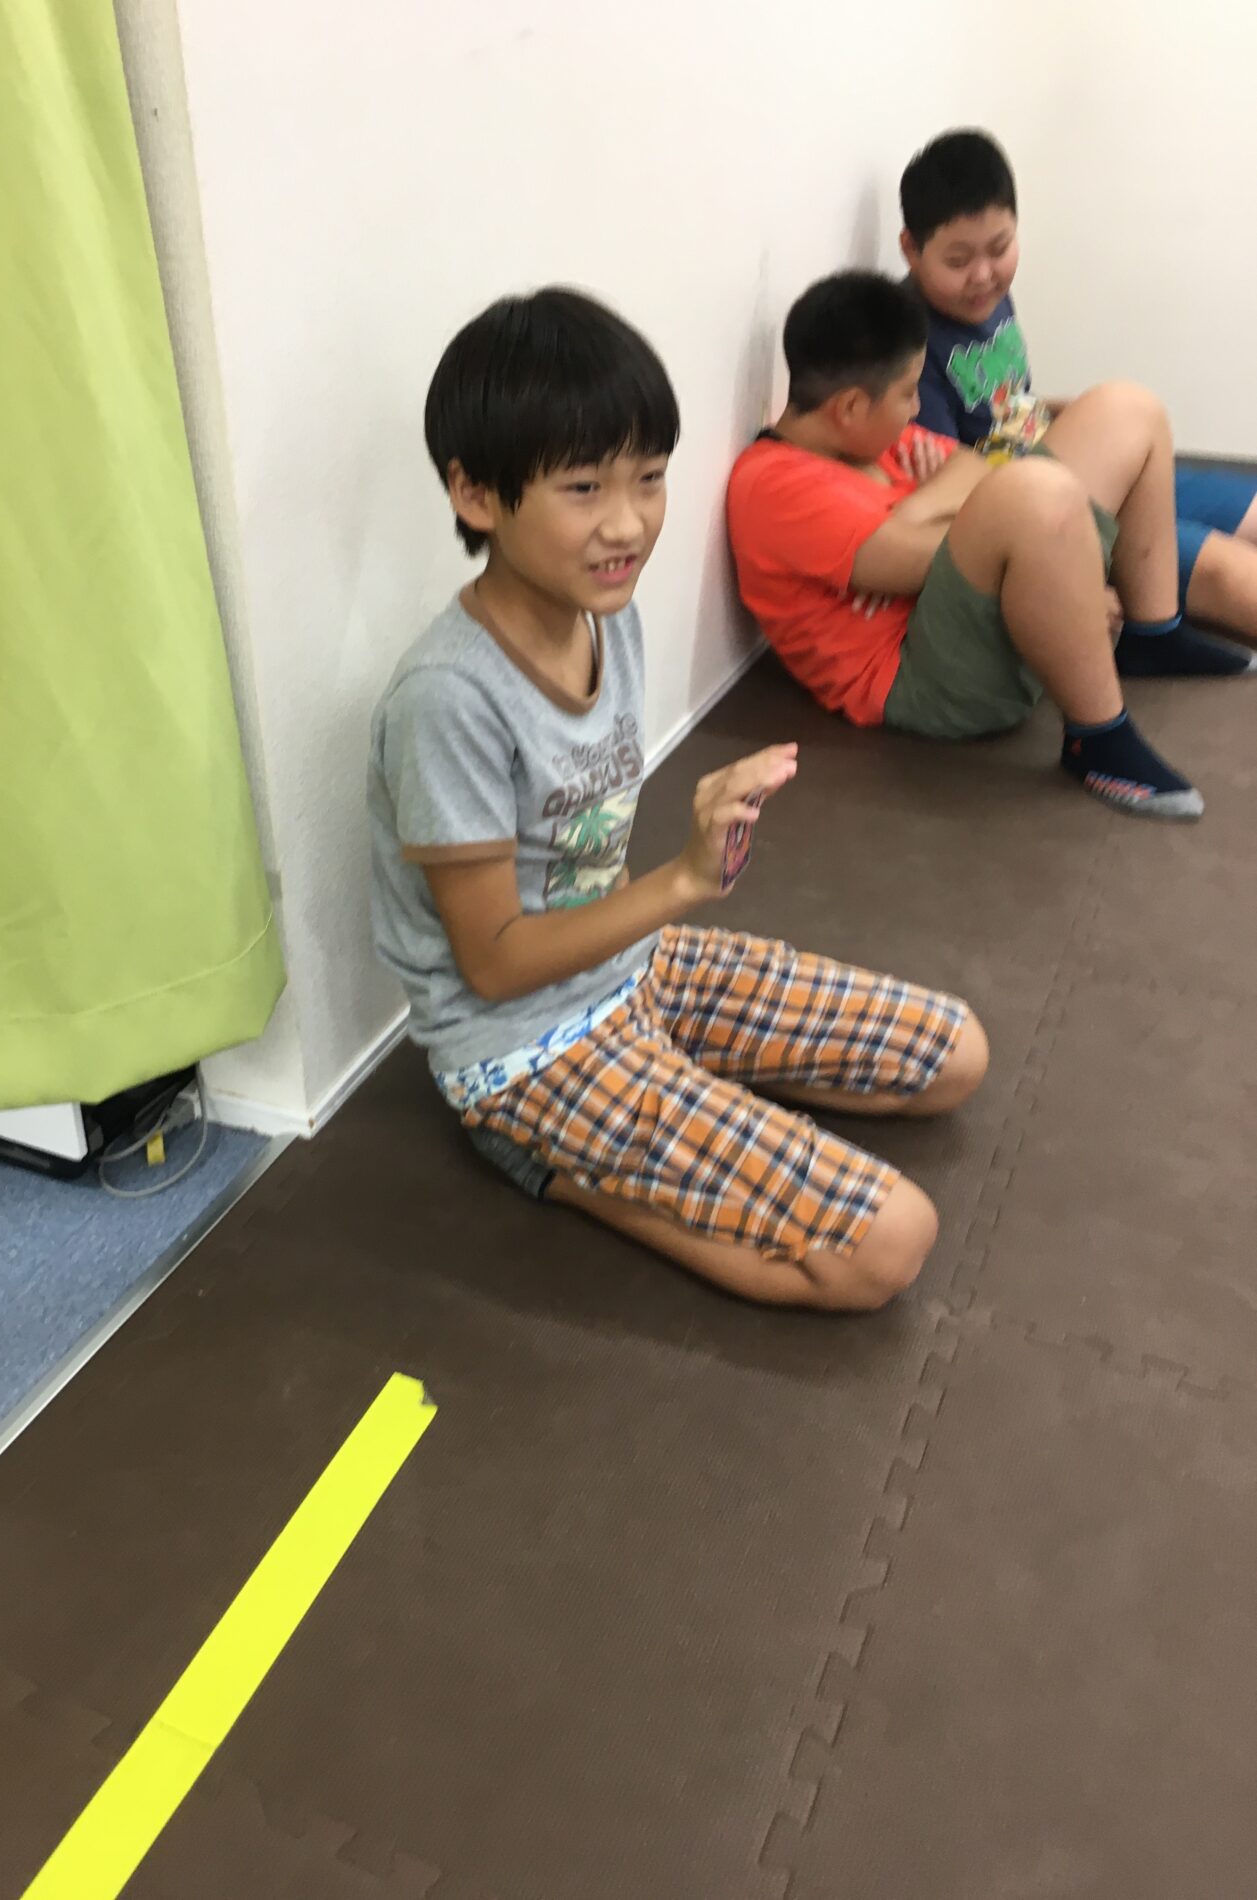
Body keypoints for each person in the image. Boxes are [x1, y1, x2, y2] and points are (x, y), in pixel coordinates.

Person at [367, 286, 988, 1311]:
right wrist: (684, 881)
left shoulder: (608, 616)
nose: (627, 523)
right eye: (583, 487)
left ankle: (668, 1095)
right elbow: (494, 962)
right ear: (475, 495)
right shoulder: (447, 699)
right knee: (887, 1246)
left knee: (954, 1054)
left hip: (631, 968)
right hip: (521, 1046)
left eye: (648, 478)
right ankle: (549, 1162)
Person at [727, 269, 1243, 820]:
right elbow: (916, 562)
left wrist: (918, 508)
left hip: (974, 622)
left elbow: (974, 465)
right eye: (907, 393)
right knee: (1032, 493)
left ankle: (1151, 634)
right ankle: (1098, 740)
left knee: (1126, 409)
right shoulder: (776, 486)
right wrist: (1060, 573)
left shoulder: (864, 438)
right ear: (850, 408)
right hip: (921, 681)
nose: (915, 410)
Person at [901, 127, 1257, 658]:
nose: (983, 275)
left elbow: (1004, 408)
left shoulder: (987, 299)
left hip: (1053, 457)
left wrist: (1074, 416)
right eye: (958, 261)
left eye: (1000, 248)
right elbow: (953, 485)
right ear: (911, 249)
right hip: (1036, 505)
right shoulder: (911, 345)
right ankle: (1150, 632)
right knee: (1228, 574)